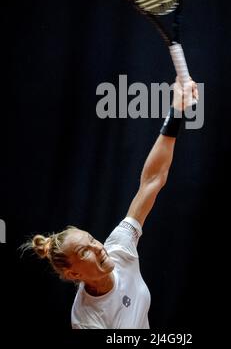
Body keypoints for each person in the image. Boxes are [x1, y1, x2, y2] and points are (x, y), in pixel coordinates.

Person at [22, 77, 198, 329]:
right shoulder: (85, 320)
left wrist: (177, 110)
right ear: (74, 274)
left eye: (92, 240)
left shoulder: (119, 246)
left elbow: (152, 180)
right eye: (85, 252)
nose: (98, 248)